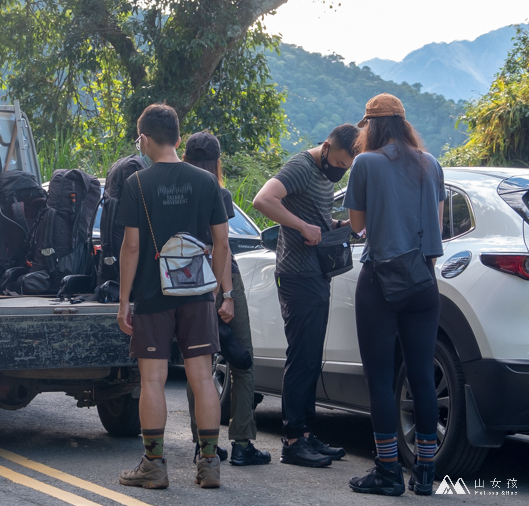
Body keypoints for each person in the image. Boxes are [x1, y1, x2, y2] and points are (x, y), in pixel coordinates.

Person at [116, 104, 230, 489]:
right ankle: (210, 464)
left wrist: (123, 301)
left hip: (153, 293)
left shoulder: (137, 184)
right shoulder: (206, 182)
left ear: (144, 139)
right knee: (202, 377)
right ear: (179, 139)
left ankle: (154, 464)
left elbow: (131, 248)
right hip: (198, 292)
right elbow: (221, 243)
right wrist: (221, 290)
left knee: (153, 380)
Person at [345, 93, 445, 496]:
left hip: (380, 280)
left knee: (381, 379)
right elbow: (436, 225)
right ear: (403, 124)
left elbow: (356, 226)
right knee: (421, 375)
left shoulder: (365, 163)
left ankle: (387, 471)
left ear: (372, 125)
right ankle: (424, 472)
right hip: (423, 281)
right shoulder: (431, 163)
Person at [252, 124, 359, 468]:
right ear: (326, 147)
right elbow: (263, 199)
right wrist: (301, 227)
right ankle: (294, 440)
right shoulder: (300, 166)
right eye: (339, 162)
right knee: (301, 357)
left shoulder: (324, 174)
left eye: (347, 167)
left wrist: (331, 226)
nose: (340, 170)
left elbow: (312, 214)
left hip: (317, 273)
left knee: (312, 356)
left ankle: (307, 433)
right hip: (297, 275)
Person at [182, 132, 271, 468]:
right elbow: (222, 245)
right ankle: (243, 443)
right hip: (222, 278)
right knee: (242, 360)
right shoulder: (218, 192)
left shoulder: (176, 191)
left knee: (198, 366)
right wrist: (228, 294)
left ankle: (202, 442)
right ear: (217, 160)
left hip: (187, 281)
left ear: (187, 157)